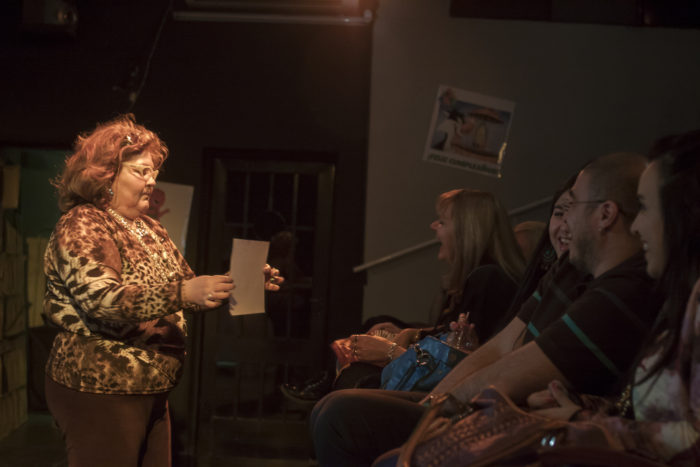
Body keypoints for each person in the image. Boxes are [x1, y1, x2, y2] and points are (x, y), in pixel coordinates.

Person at [309, 152, 660, 467]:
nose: (564, 223)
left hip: (517, 420)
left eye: (571, 208)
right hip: (496, 408)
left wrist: (434, 412)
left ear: (605, 214)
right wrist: (433, 402)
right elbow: (501, 346)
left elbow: (518, 369)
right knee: (336, 407)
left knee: (341, 415)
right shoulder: (566, 271)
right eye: (558, 211)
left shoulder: (624, 291)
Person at [43, 114, 283, 467]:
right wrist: (184, 293)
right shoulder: (83, 222)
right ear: (107, 175)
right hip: (101, 387)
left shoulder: (151, 229)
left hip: (151, 387)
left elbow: (186, 289)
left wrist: (235, 283)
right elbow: (101, 299)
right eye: (141, 171)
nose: (152, 180)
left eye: (154, 172)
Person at [527, 129, 700, 465]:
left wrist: (584, 423)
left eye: (645, 207)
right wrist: (581, 405)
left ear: (684, 213)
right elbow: (648, 416)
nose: (636, 226)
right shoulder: (678, 298)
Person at [283, 189, 526, 402]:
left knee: (357, 373)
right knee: (378, 324)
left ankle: (327, 395)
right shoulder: (481, 276)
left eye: (442, 222)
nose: (433, 226)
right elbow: (449, 335)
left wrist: (390, 350)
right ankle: (326, 387)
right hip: (438, 373)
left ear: (466, 232)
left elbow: (459, 356)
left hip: (450, 391)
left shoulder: (488, 280)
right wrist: (410, 333)